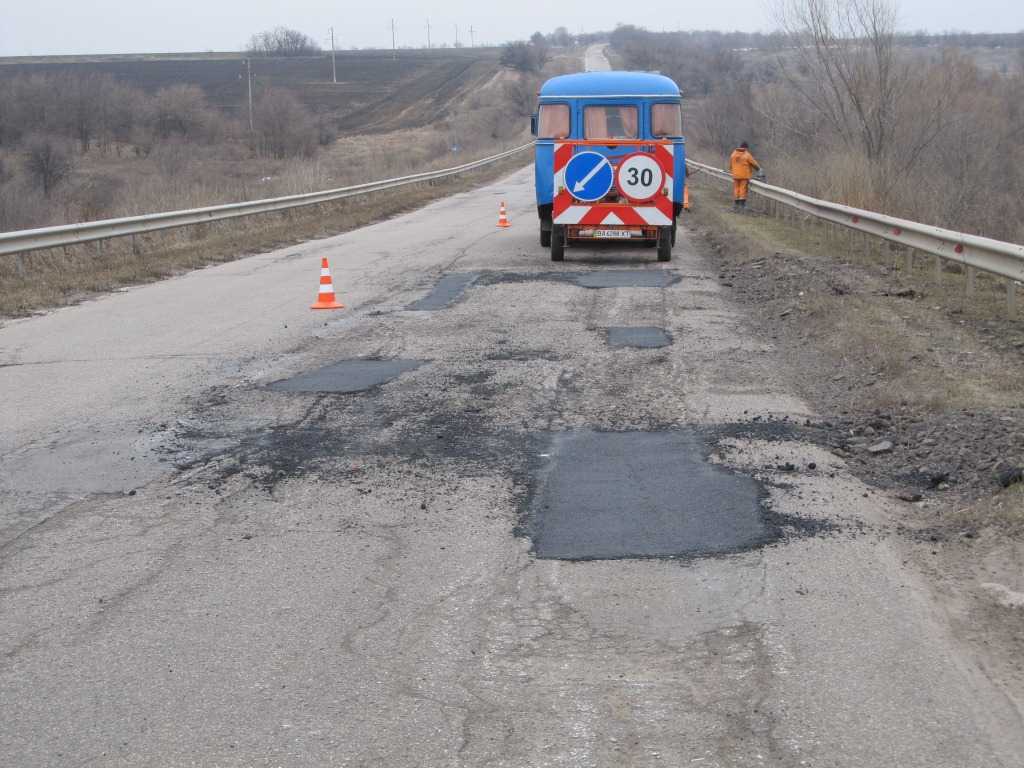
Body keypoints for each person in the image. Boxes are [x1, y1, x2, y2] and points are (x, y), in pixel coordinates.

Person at [729, 142, 763, 212]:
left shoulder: (733, 154)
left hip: (735, 175)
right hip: (744, 175)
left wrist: (733, 170)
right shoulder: (747, 154)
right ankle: (742, 205)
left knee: (736, 188)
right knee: (743, 188)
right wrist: (759, 169)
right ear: (746, 147)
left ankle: (736, 204)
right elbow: (754, 163)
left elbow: (730, 165)